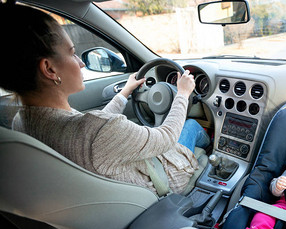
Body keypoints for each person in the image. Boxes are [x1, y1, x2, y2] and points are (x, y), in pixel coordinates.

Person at [0, 4, 210, 195]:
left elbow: (94, 128)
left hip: (122, 184)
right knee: (191, 125)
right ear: (49, 69)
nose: (81, 63)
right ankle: (211, 153)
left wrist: (124, 92)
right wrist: (182, 93)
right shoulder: (98, 131)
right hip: (164, 181)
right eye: (73, 54)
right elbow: (164, 138)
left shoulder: (22, 122)